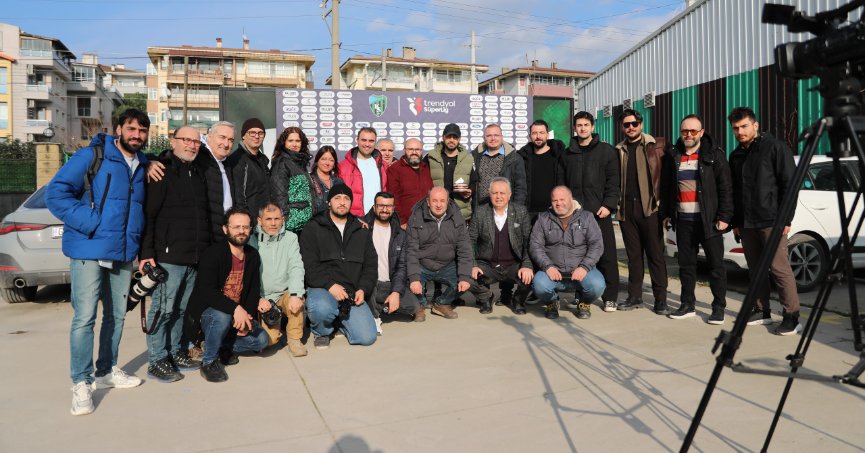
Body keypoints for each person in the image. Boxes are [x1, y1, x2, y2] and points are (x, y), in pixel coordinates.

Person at [46, 108, 150, 416]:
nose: (137, 135)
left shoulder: (142, 164)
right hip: (88, 249)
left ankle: (106, 370)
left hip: (122, 251)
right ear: (118, 129)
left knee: (116, 316)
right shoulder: (92, 156)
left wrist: (154, 161)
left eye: (142, 130)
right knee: (85, 317)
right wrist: (91, 222)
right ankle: (81, 382)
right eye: (131, 129)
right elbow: (56, 194)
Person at [139, 126, 212, 383]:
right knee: (164, 309)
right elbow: (149, 215)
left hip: (194, 255)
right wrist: (147, 252)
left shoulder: (197, 172)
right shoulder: (162, 171)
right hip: (168, 255)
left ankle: (175, 352)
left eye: (196, 141)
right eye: (186, 140)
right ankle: (156, 359)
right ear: (173, 142)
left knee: (182, 309)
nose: (192, 145)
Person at [728, 106, 801, 335]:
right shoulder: (736, 155)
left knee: (779, 269)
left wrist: (786, 219)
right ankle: (762, 311)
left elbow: (790, 185)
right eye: (735, 128)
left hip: (772, 221)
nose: (740, 132)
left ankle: (792, 316)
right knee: (756, 269)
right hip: (747, 223)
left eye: (744, 126)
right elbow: (735, 191)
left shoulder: (776, 147)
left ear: (755, 125)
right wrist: (736, 222)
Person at [660, 115, 733, 324]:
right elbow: (667, 187)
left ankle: (718, 308)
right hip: (684, 220)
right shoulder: (673, 155)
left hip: (709, 221)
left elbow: (726, 188)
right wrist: (667, 213)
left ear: (701, 132)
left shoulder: (714, 155)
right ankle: (687, 305)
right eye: (685, 131)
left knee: (716, 266)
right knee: (686, 265)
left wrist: (724, 216)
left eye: (693, 131)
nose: (689, 135)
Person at [185, 207, 270, 382]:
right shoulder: (213, 254)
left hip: (235, 316)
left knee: (261, 340)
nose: (241, 231)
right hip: (209, 315)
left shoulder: (252, 255)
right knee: (222, 316)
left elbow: (253, 291)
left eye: (245, 227)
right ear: (225, 229)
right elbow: (206, 291)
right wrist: (235, 309)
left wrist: (245, 320)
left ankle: (219, 346)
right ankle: (209, 361)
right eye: (236, 227)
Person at [300, 184, 378, 349]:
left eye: (346, 199)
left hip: (351, 292)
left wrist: (363, 289)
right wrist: (330, 285)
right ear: (329, 202)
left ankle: (338, 322)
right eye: (337, 198)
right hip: (323, 288)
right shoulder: (313, 228)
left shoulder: (361, 230)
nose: (342, 202)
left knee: (367, 337)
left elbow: (371, 265)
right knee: (321, 308)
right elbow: (309, 265)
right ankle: (322, 331)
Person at [560, 111, 621, 312]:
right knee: (579, 256)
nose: (583, 128)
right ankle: (581, 295)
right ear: (574, 128)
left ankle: (610, 297)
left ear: (593, 127)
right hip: (576, 215)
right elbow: (562, 184)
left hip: (599, 213)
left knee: (607, 256)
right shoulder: (567, 154)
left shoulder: (606, 151)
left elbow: (614, 181)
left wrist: (608, 205)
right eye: (579, 125)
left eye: (586, 125)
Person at [614, 109, 670, 315]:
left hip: (650, 209)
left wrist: (664, 207)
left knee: (656, 256)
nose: (631, 127)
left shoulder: (657, 146)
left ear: (641, 124)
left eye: (634, 124)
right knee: (634, 257)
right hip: (627, 210)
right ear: (622, 127)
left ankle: (661, 299)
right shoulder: (618, 150)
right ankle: (634, 296)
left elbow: (668, 177)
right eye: (626, 124)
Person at [148, 121, 237, 242]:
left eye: (231, 140)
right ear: (209, 137)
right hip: (207, 237)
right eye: (222, 137)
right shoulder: (199, 156)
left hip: (226, 235)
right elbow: (173, 156)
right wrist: (149, 162)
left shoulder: (229, 164)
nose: (226, 144)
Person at [530, 186, 606, 320]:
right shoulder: (543, 218)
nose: (558, 203)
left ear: (571, 199)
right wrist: (548, 266)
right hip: (553, 271)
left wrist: (584, 267)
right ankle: (552, 302)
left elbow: (597, 245)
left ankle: (584, 302)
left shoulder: (587, 217)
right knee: (538, 285)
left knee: (597, 285)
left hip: (581, 271)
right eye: (555, 200)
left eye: (562, 199)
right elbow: (535, 246)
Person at [249, 202, 307, 357]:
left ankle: (294, 339)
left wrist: (295, 294)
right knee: (270, 341)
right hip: (263, 298)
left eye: (277, 218)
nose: (273, 223)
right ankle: (273, 328)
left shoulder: (291, 238)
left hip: (283, 293)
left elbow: (296, 266)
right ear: (260, 220)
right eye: (268, 219)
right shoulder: (251, 240)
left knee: (296, 299)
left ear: (283, 219)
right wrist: (257, 298)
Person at [405, 187, 473, 320]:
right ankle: (420, 304)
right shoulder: (416, 217)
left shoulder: (457, 217)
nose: (438, 205)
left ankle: (442, 303)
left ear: (448, 202)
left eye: (442, 201)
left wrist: (464, 276)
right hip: (423, 264)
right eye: (434, 201)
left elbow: (465, 248)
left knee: (467, 280)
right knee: (408, 280)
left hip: (447, 265)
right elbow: (411, 250)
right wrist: (414, 278)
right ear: (428, 202)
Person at [468, 178, 534, 315]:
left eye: (502, 193)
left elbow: (528, 242)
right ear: (489, 194)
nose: (498, 196)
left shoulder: (520, 212)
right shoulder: (480, 212)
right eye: (495, 193)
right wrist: (473, 264)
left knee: (533, 276)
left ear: (509, 195)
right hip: (487, 265)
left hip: (513, 265)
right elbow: (470, 240)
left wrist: (527, 265)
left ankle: (517, 300)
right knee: (466, 275)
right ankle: (486, 297)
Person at [363, 192, 421, 330]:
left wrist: (395, 292)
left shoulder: (401, 234)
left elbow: (402, 267)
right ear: (374, 207)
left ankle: (377, 308)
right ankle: (373, 315)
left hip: (388, 284)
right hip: (369, 283)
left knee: (413, 306)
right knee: (368, 283)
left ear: (393, 208)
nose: (385, 209)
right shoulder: (363, 228)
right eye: (381, 206)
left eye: (389, 206)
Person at [426, 123, 475, 221]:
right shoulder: (431, 157)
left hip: (459, 211)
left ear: (459, 139)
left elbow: (474, 181)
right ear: (443, 137)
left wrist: (470, 191)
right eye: (449, 137)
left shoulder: (467, 158)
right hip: (437, 211)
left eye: (455, 137)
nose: (451, 140)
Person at [517, 119, 565, 218]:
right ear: (530, 136)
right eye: (534, 133)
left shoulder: (559, 155)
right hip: (529, 213)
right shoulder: (523, 157)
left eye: (541, 133)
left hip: (554, 212)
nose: (538, 136)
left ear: (547, 135)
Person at [471, 123, 527, 208]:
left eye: (496, 135)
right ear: (485, 138)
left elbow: (520, 188)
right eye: (489, 136)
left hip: (505, 209)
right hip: (481, 208)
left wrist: (516, 210)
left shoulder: (515, 158)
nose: (493, 138)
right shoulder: (475, 156)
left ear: (501, 137)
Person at [226, 118, 270, 223]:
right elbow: (239, 196)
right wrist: (246, 222)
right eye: (252, 133)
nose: (257, 136)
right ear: (243, 135)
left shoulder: (262, 160)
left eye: (260, 133)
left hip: (263, 221)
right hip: (249, 222)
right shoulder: (238, 160)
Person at [270, 127, 314, 233]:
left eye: (297, 141)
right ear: (284, 143)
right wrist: (284, 222)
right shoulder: (282, 163)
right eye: (290, 140)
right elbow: (279, 196)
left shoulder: (299, 162)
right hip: (290, 226)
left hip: (303, 224)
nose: (294, 144)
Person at [339, 127, 388, 216]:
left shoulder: (383, 165)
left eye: (371, 141)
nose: (367, 144)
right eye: (364, 140)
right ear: (357, 140)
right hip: (354, 218)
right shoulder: (343, 166)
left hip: (378, 217)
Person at [387, 138, 433, 228]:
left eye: (417, 149)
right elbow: (393, 197)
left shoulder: (427, 168)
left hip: (428, 222)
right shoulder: (395, 169)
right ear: (404, 151)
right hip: (406, 224)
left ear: (421, 151)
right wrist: (401, 221)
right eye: (410, 149)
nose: (414, 152)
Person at [309, 145, 344, 216]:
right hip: (314, 220)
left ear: (334, 164)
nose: (327, 163)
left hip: (334, 220)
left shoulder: (339, 182)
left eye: (331, 160)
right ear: (317, 161)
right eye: (323, 159)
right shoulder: (308, 179)